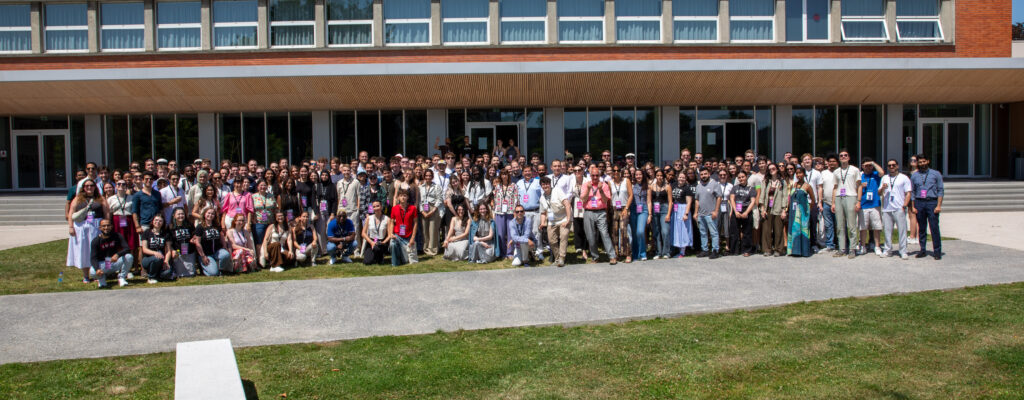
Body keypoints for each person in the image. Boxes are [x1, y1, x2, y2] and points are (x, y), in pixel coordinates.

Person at [68, 178, 110, 282]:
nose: (89, 187)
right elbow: (71, 213)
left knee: (98, 250)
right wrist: (70, 227)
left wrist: (107, 226)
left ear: (95, 187)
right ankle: (86, 275)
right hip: (82, 228)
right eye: (87, 186)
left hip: (97, 227)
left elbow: (107, 213)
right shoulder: (78, 199)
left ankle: (98, 273)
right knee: (84, 251)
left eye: (91, 185)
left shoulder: (100, 198)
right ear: (83, 188)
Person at [910, 153, 944, 260]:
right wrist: (913, 206)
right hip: (920, 203)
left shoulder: (936, 174)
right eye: (920, 162)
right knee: (922, 228)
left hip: (932, 202)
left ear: (928, 161)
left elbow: (940, 190)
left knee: (934, 227)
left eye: (924, 161)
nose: (922, 164)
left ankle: (937, 251)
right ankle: (923, 249)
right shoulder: (914, 175)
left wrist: (938, 205)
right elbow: (912, 192)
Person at [581, 164, 616, 264]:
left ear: (599, 175)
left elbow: (605, 200)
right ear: (590, 176)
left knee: (604, 234)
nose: (595, 177)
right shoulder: (586, 185)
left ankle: (612, 256)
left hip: (601, 212)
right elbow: (583, 199)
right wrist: (588, 189)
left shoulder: (604, 185)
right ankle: (595, 257)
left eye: (597, 175)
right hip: (588, 212)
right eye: (593, 175)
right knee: (590, 236)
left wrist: (600, 190)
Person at [879, 159, 912, 259]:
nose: (891, 167)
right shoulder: (885, 178)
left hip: (899, 207)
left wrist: (904, 205)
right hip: (887, 208)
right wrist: (882, 188)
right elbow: (879, 193)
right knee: (887, 230)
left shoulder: (904, 178)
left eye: (893, 165)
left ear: (897, 166)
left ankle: (903, 251)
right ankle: (887, 250)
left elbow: (908, 193)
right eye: (889, 166)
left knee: (902, 230)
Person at [831, 150, 861, 259]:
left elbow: (859, 186)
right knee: (840, 225)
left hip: (851, 196)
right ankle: (842, 248)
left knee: (851, 225)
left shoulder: (854, 170)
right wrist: (833, 203)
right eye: (841, 156)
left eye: (845, 155)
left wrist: (858, 201)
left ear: (849, 157)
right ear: (839, 158)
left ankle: (852, 249)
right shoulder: (836, 172)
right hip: (839, 197)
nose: (843, 157)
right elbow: (835, 187)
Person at [89, 219, 134, 288]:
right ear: (100, 228)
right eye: (103, 226)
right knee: (92, 271)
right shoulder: (96, 241)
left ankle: (122, 277)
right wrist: (97, 269)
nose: (106, 228)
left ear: (111, 226)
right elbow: (93, 258)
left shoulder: (117, 236)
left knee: (129, 256)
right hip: (104, 264)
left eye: (108, 225)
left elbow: (127, 248)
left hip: (115, 262)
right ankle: (102, 279)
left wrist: (117, 254)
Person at [539, 176, 571, 267]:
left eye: (547, 184)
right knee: (552, 240)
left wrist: (568, 220)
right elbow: (543, 213)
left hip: (564, 218)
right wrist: (542, 223)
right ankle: (557, 259)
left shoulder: (557, 191)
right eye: (543, 184)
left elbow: (567, 204)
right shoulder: (542, 198)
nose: (545, 186)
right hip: (552, 221)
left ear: (550, 184)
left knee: (563, 236)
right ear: (541, 186)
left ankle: (562, 258)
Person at [760, 164, 789, 257]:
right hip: (767, 208)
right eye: (770, 169)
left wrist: (784, 210)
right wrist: (762, 209)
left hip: (778, 208)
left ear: (777, 169)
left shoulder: (782, 182)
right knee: (766, 230)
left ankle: (778, 249)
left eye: (773, 168)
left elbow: (785, 196)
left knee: (778, 230)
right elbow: (762, 196)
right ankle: (767, 249)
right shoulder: (765, 181)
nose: (772, 170)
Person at [787, 168, 816, 257]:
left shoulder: (807, 186)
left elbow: (813, 199)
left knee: (803, 230)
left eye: (800, 173)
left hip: (803, 212)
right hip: (793, 211)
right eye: (797, 173)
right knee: (794, 229)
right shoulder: (794, 185)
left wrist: (808, 209)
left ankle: (804, 251)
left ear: (804, 174)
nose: (798, 175)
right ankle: (794, 250)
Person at [516, 165, 543, 259]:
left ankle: (539, 251)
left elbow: (542, 196)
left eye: (529, 171)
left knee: (537, 232)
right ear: (522, 173)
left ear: (532, 172)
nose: (527, 173)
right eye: (525, 171)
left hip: (536, 211)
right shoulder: (519, 183)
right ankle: (528, 251)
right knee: (525, 232)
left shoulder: (538, 182)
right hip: (523, 212)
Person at [859, 159, 885, 256]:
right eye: (866, 166)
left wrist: (873, 163)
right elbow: (855, 187)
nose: (868, 167)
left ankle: (877, 246)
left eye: (870, 166)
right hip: (863, 204)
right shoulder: (860, 175)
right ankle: (862, 246)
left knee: (876, 227)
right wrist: (861, 186)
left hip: (875, 204)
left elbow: (882, 172)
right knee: (863, 227)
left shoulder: (875, 174)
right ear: (862, 166)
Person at [693, 169, 722, 259]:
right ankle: (705, 250)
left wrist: (716, 211)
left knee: (714, 233)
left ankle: (715, 250)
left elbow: (719, 197)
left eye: (705, 174)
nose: (703, 176)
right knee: (703, 233)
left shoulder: (714, 184)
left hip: (711, 213)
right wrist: (695, 212)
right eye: (701, 174)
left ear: (709, 174)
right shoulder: (698, 186)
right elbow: (697, 200)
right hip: (701, 214)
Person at [193, 207, 229, 276]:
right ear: (204, 214)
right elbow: (197, 242)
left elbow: (221, 237)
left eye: (212, 214)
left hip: (217, 251)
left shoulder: (216, 226)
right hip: (206, 254)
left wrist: (225, 246)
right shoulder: (200, 227)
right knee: (213, 273)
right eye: (208, 213)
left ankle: (220, 269)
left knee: (226, 255)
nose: (210, 215)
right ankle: (203, 268)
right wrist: (203, 256)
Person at [609, 166, 633, 263]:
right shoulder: (610, 182)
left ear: (620, 171)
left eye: (617, 170)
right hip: (614, 208)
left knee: (624, 230)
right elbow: (609, 196)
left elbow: (631, 195)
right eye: (614, 170)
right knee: (614, 232)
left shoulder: (626, 181)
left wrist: (627, 208)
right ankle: (616, 254)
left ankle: (628, 254)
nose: (616, 172)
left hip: (624, 208)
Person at [140, 214, 174, 283]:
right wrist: (155, 253)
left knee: (168, 272)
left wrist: (166, 261)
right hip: (148, 259)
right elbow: (144, 249)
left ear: (163, 223)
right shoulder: (147, 232)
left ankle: (158, 275)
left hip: (161, 260)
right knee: (156, 258)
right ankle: (151, 278)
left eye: (160, 221)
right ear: (152, 221)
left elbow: (168, 251)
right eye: (156, 220)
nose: (158, 222)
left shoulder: (166, 234)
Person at [730, 171, 757, 257]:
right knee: (734, 231)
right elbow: (732, 199)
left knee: (747, 231)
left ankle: (746, 250)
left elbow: (753, 201)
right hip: (736, 209)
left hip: (746, 209)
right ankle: (734, 250)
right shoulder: (735, 188)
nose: (741, 179)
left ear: (746, 177)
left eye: (743, 177)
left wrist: (746, 212)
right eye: (739, 177)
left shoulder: (751, 189)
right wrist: (735, 211)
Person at [492, 170, 517, 259]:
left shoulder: (513, 186)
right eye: (502, 174)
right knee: (501, 233)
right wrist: (494, 212)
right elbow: (495, 200)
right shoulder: (497, 187)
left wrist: (515, 211)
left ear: (508, 175)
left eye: (506, 174)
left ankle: (510, 252)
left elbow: (516, 198)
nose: (504, 176)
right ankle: (502, 253)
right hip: (499, 212)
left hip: (510, 212)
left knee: (510, 233)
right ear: (500, 176)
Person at [389, 191, 418, 266]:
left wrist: (413, 238)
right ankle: (395, 264)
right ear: (398, 197)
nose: (403, 197)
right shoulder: (394, 208)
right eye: (401, 196)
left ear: (407, 197)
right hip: (398, 235)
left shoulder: (413, 208)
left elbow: (415, 223)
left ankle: (402, 259)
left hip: (408, 236)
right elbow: (391, 222)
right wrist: (391, 233)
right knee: (392, 244)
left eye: (405, 196)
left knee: (406, 260)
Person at [649, 169, 673, 259]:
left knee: (665, 231)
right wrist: (650, 213)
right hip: (654, 210)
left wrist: (668, 214)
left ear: (663, 177)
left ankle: (666, 252)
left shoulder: (667, 187)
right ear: (655, 176)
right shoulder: (651, 187)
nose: (659, 177)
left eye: (661, 176)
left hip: (664, 209)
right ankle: (658, 252)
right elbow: (649, 201)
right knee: (656, 231)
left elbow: (670, 201)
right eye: (658, 175)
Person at [418, 169, 443, 256]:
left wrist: (433, 210)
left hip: (433, 208)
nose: (428, 177)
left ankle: (433, 248)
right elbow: (419, 201)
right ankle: (425, 247)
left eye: (430, 176)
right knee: (425, 230)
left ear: (432, 177)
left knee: (433, 230)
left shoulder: (436, 186)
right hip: (424, 209)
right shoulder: (420, 187)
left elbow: (439, 199)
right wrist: (422, 211)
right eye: (426, 176)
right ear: (424, 177)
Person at [251, 180, 277, 260]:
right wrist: (253, 220)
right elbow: (251, 210)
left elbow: (274, 208)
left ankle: (270, 258)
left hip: (270, 222)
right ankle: (260, 259)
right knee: (259, 242)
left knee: (269, 241)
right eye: (261, 185)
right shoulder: (253, 196)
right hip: (259, 222)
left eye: (264, 185)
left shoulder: (271, 196)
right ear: (257, 187)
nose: (263, 187)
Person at [168, 208, 198, 278]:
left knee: (190, 273)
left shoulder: (189, 225)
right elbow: (169, 242)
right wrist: (172, 250)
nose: (181, 216)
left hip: (189, 251)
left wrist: (193, 239)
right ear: (174, 216)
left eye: (182, 214)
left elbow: (195, 235)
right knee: (180, 273)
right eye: (178, 214)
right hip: (178, 251)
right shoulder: (170, 227)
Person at [670, 172, 693, 257]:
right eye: (680, 177)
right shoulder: (674, 186)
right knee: (676, 229)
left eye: (683, 177)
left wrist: (686, 213)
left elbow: (689, 202)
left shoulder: (687, 188)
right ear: (677, 177)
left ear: (686, 179)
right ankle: (677, 249)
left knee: (683, 230)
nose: (681, 179)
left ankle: (683, 251)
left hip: (683, 209)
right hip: (675, 209)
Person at [570, 165, 590, 261]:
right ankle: (578, 247)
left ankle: (585, 248)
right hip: (576, 204)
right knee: (577, 227)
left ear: (583, 171)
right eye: (575, 170)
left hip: (586, 204)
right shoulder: (571, 181)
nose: (577, 172)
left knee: (585, 227)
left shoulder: (587, 180)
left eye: (579, 170)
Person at [362, 201, 392, 265]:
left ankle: (380, 257)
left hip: (381, 242)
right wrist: (371, 242)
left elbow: (389, 235)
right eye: (374, 207)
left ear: (381, 207)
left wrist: (384, 242)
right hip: (371, 241)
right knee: (367, 262)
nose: (376, 208)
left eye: (377, 206)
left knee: (377, 250)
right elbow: (363, 233)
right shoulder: (369, 218)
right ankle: (377, 257)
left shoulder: (387, 219)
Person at [629, 169, 649, 261]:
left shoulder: (647, 186)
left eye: (640, 174)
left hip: (643, 209)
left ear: (643, 175)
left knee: (640, 231)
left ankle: (643, 253)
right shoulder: (632, 186)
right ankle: (635, 254)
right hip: (634, 209)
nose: (638, 176)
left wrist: (650, 214)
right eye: (636, 175)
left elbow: (649, 201)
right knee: (634, 233)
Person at [819, 155, 838, 253]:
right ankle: (830, 244)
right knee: (828, 225)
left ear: (837, 163)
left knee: (840, 224)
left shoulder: (840, 172)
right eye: (830, 161)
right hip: (826, 202)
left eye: (834, 161)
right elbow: (820, 187)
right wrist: (820, 202)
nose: (831, 163)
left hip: (839, 202)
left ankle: (841, 244)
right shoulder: (824, 173)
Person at [716, 169, 736, 255]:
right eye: (721, 175)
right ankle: (717, 246)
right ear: (718, 176)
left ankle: (727, 246)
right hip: (718, 206)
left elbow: (732, 199)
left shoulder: (730, 186)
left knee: (727, 225)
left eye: (724, 174)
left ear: (727, 175)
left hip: (727, 204)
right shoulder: (715, 185)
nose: (723, 176)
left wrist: (731, 210)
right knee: (717, 226)